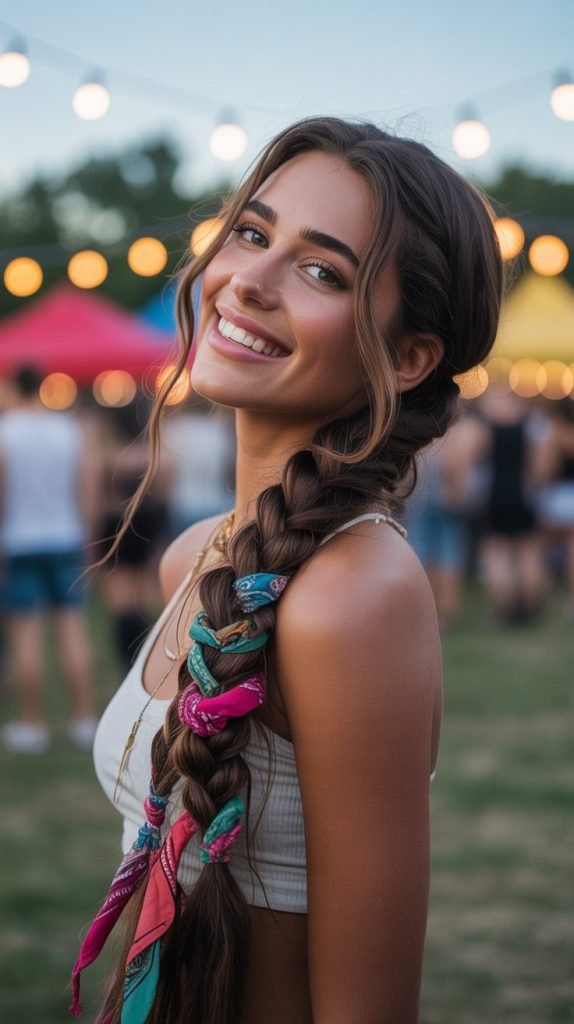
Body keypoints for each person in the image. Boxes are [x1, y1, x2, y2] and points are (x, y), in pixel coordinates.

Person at [72, 117, 503, 1023]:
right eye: (252, 233)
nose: (248, 283)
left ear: (408, 356)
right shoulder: (199, 553)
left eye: (322, 271)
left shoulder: (353, 594)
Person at [0, 365, 98, 753]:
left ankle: (32, 724)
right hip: (66, 537)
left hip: (19, 541)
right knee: (73, 629)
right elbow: (86, 487)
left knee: (26, 635)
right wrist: (88, 538)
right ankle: (84, 719)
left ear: (12, 386)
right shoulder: (68, 429)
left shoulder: (5, 430)